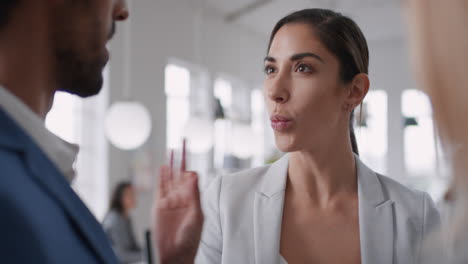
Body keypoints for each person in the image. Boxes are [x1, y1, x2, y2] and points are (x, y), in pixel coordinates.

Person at [189, 8, 439, 264]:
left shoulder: (416, 216)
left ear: (354, 91)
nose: (275, 91)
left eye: (302, 68)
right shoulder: (225, 202)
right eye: (270, 69)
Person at [103, 182, 143, 263]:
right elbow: (121, 255)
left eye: (134, 194)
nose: (134, 198)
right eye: (130, 195)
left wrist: (150, 252)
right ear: (120, 198)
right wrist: (146, 256)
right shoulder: (114, 220)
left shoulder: (126, 218)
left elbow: (134, 246)